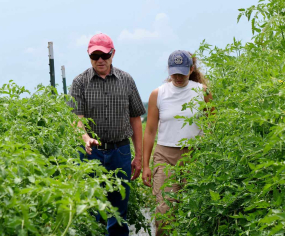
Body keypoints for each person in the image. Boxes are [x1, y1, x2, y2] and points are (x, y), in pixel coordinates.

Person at [68, 33, 146, 236]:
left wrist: (139, 157)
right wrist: (85, 137)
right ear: (89, 55)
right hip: (91, 153)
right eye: (95, 56)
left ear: (113, 54)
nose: (100, 60)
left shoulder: (126, 80)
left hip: (120, 151)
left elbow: (136, 119)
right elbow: (76, 118)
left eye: (104, 55)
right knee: (92, 208)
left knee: (118, 211)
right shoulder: (80, 83)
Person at [142, 50, 213, 236]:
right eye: (174, 73)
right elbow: (149, 132)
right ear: (168, 70)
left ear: (191, 70)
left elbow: (214, 126)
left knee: (193, 209)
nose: (178, 77)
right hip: (165, 156)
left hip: (194, 157)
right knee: (165, 211)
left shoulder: (202, 92)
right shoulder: (158, 94)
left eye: (182, 72)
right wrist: (146, 165)